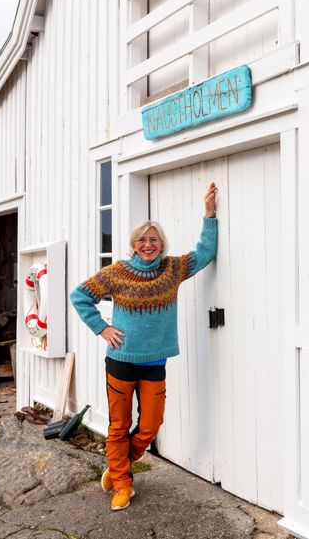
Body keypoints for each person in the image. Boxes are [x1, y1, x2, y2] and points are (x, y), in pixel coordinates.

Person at [70, 182, 218, 511]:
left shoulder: (172, 270)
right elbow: (80, 296)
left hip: (155, 361)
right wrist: (102, 327)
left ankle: (118, 463)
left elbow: (205, 253)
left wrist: (209, 213)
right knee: (118, 425)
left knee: (150, 425)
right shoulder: (118, 273)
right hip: (121, 360)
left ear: (161, 244)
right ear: (133, 245)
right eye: (142, 240)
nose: (148, 245)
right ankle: (122, 483)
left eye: (153, 240)